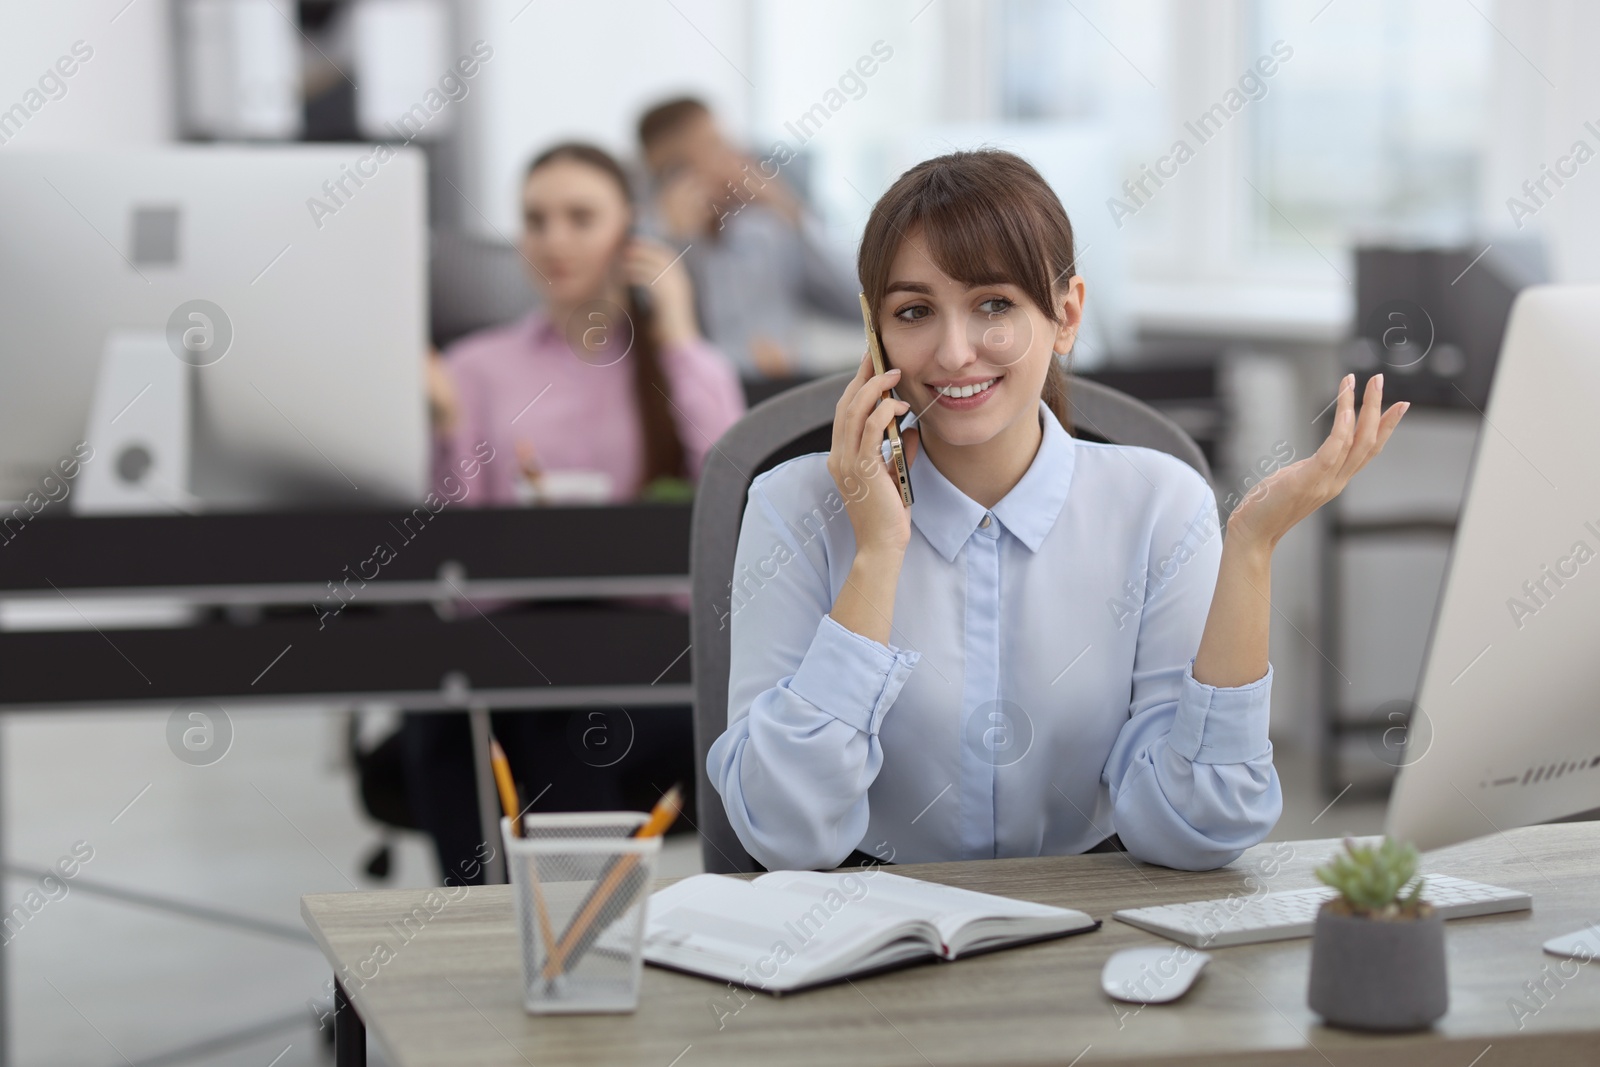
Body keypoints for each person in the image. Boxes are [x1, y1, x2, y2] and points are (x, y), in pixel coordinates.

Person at [708, 150, 1408, 872]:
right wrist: (879, 553)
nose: (953, 352)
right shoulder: (793, 505)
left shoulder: (1160, 506)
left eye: (994, 305)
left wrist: (1252, 548)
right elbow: (784, 833)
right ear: (874, 333)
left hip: (1093, 936)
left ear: (1065, 314)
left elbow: (1202, 827)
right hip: (869, 935)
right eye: (914, 312)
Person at [409, 142, 745, 885]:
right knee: (451, 716)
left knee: (563, 720)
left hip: (646, 661)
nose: (553, 239)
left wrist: (679, 331)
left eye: (579, 217)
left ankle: (570, 943)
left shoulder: (677, 361)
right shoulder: (475, 368)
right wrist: (444, 421)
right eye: (535, 220)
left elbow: (733, 493)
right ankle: (494, 931)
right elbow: (454, 554)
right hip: (515, 650)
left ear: (630, 233)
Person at [637, 96, 861, 379]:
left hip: (784, 390)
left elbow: (858, 302)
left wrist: (791, 212)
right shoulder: (649, 242)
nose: (735, 156)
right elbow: (645, 331)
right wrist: (673, 239)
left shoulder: (768, 228)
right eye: (715, 146)